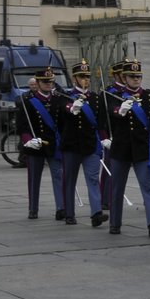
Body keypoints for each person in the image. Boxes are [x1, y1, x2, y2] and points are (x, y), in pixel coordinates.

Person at [104, 59, 150, 238]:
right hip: (121, 147)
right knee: (117, 188)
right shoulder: (114, 95)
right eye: (132, 76)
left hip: (141, 147)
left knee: (149, 187)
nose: (136, 79)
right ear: (124, 77)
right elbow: (109, 113)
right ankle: (115, 223)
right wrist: (119, 111)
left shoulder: (148, 96)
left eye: (138, 76)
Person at [56, 60, 106, 227]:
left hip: (89, 145)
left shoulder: (95, 98)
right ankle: (69, 213)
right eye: (82, 76)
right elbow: (62, 117)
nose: (86, 80)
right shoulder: (65, 97)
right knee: (70, 180)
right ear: (74, 78)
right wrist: (72, 108)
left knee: (92, 179)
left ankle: (96, 213)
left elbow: (99, 121)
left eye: (87, 77)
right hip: (71, 145)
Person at [18, 72, 64, 221]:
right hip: (36, 144)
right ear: (37, 83)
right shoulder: (28, 101)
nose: (48, 84)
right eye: (44, 82)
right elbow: (23, 126)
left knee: (59, 176)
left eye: (50, 81)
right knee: (34, 178)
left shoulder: (58, 99)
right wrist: (28, 140)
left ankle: (61, 208)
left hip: (54, 144)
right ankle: (33, 208)